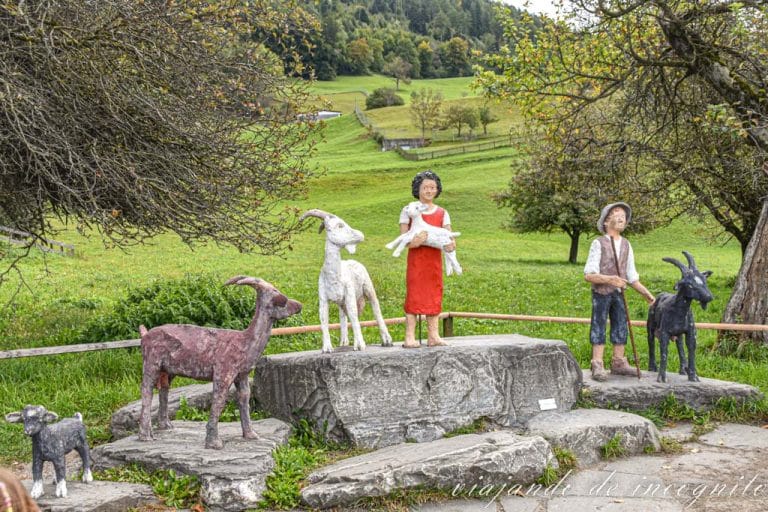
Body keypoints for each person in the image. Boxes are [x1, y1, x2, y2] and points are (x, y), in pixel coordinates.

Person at [584, 202, 655, 381]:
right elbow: (589, 275)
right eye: (616, 212)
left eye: (623, 214)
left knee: (621, 323)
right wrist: (609, 279)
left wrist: (646, 293)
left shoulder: (626, 245)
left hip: (619, 293)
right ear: (606, 221)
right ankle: (597, 363)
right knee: (599, 324)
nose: (621, 216)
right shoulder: (598, 243)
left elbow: (631, 276)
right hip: (601, 293)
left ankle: (619, 362)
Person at [399, 170, 456, 348]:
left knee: (434, 293)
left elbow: (449, 236)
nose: (429, 191)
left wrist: (451, 245)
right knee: (414, 294)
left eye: (433, 187)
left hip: (434, 261)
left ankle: (434, 335)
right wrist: (414, 242)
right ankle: (409, 336)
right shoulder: (408, 210)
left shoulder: (442, 213)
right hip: (417, 260)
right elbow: (403, 238)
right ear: (418, 189)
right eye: (425, 187)